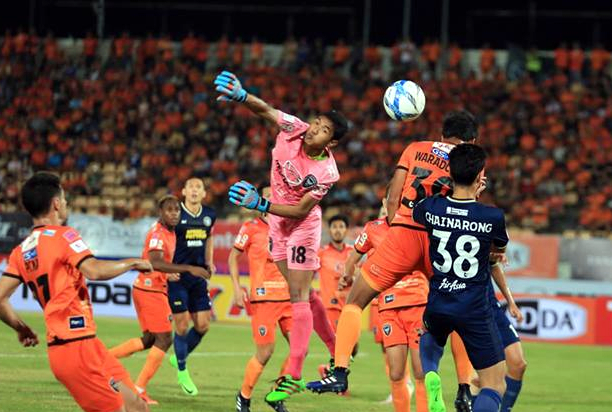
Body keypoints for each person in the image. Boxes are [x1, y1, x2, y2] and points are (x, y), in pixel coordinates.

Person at [307, 111, 479, 395]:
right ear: (472, 140)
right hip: (439, 242)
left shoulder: (415, 148)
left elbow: (393, 197)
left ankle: (339, 372)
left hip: (403, 235)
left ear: (441, 134)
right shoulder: (472, 162)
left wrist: (396, 227)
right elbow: (467, 210)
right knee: (461, 313)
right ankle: (464, 388)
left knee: (355, 301)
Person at [214, 70, 348, 404]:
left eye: (323, 130)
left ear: (331, 143)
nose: (314, 129)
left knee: (298, 295)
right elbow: (266, 110)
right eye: (316, 122)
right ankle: (336, 352)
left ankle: (295, 373)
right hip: (276, 224)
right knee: (302, 292)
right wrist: (243, 96)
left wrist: (261, 204)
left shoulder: (326, 172)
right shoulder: (294, 128)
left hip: (301, 225)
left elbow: (301, 210)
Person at [0, 172, 150, 412]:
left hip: (85, 345)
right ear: (56, 204)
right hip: (74, 347)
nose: (66, 203)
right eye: (64, 199)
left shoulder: (21, 252)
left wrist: (21, 328)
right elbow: (94, 270)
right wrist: (133, 263)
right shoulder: (64, 236)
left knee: (137, 407)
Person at [415, 144, 508, 412]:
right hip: (473, 308)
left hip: (439, 300)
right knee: (494, 385)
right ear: (480, 176)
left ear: (450, 173)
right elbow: (497, 251)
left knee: (432, 333)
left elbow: (418, 210)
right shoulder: (492, 216)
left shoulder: (431, 207)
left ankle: (431, 372)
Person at [108, 195, 209, 405]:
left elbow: (155, 264)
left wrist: (166, 273)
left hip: (150, 287)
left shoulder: (170, 232)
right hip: (150, 291)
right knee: (164, 339)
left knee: (149, 340)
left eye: (177, 210)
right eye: (169, 210)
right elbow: (155, 261)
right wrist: (188, 268)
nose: (174, 213)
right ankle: (139, 389)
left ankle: (103, 360)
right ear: (160, 213)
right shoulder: (158, 233)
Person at [230, 185, 293, 412]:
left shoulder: (288, 227)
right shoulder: (251, 227)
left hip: (288, 298)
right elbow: (233, 257)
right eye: (266, 195)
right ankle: (244, 396)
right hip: (263, 299)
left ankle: (276, 394)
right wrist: (237, 288)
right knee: (265, 352)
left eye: (273, 195)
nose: (270, 198)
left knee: (299, 350)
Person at [167, 177, 215, 396]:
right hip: (177, 277)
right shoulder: (175, 215)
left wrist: (209, 261)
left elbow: (210, 237)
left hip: (197, 277)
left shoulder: (209, 215)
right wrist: (167, 268)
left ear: (204, 193)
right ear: (184, 192)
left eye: (199, 187)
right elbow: (165, 241)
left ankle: (179, 355)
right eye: (191, 187)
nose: (195, 190)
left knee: (203, 325)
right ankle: (182, 371)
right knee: (182, 325)